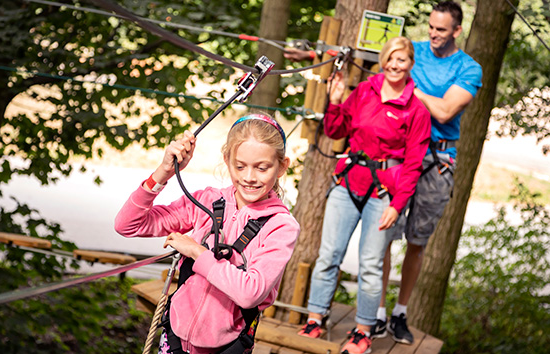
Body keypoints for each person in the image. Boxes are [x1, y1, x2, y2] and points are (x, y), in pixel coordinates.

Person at [114, 114, 300, 354]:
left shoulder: (281, 226)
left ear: (282, 166)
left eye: (262, 168)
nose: (249, 177)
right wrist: (163, 172)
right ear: (227, 160)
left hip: (225, 346)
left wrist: (196, 252)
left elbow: (250, 293)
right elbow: (128, 224)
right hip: (175, 337)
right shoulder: (207, 201)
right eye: (240, 166)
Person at [297, 37, 431, 354]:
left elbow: (413, 166)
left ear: (411, 64)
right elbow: (335, 131)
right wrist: (335, 99)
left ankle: (363, 332)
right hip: (347, 184)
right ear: (383, 61)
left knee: (370, 265)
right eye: (390, 59)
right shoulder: (366, 91)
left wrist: (398, 206)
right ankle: (316, 319)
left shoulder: (416, 109)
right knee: (328, 255)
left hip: (383, 192)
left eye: (402, 60)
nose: (395, 66)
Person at [371, 1, 483, 345]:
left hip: (438, 158)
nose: (434, 35)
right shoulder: (412, 51)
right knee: (384, 234)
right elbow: (378, 74)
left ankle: (400, 313)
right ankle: (375, 313)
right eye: (431, 28)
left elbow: (446, 111)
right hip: (400, 154)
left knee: (417, 241)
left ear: (457, 31)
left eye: (442, 30)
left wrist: (410, 90)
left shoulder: (469, 68)